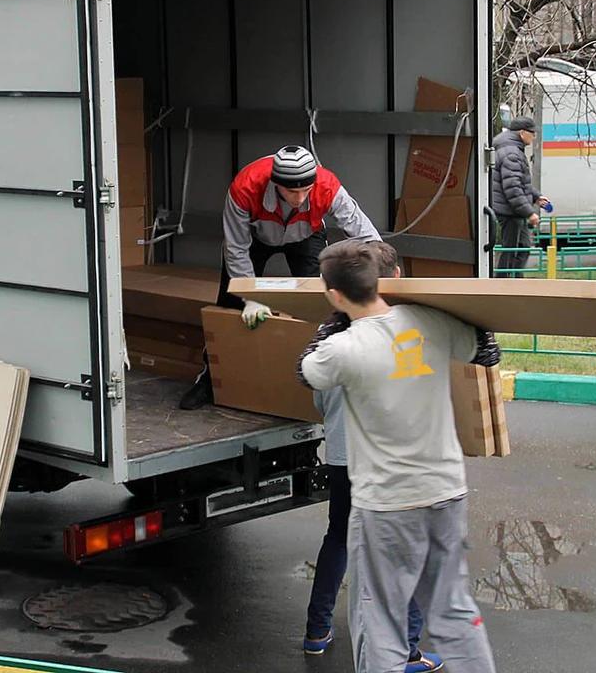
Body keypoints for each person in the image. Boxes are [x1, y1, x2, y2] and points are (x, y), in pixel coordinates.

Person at [297, 240, 501, 673]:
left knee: (380, 619)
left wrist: (332, 323)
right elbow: (487, 351)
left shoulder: (343, 348)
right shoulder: (429, 321)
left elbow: (306, 370)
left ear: (334, 294)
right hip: (446, 492)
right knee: (454, 609)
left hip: (386, 503)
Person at [302, 241, 443, 673]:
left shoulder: (330, 335)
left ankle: (316, 631)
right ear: (394, 278)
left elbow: (319, 398)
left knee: (339, 538)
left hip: (343, 456)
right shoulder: (405, 331)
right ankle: (406, 651)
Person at [177, 144, 380, 410]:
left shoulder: (328, 186)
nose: (299, 198)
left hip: (306, 235)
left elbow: (365, 233)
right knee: (230, 304)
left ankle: (321, 382)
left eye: (306, 190)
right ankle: (210, 380)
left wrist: (381, 272)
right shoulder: (245, 187)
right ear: (276, 184)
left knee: (319, 306)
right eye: (292, 191)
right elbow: (236, 247)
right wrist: (250, 297)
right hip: (255, 237)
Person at [491, 116, 549, 277]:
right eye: (532, 133)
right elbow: (513, 189)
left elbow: (518, 182)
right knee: (511, 251)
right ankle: (503, 283)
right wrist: (529, 213)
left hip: (513, 211)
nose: (534, 136)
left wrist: (536, 196)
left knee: (522, 248)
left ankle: (514, 281)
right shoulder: (512, 153)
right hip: (510, 211)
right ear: (522, 133)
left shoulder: (511, 149)